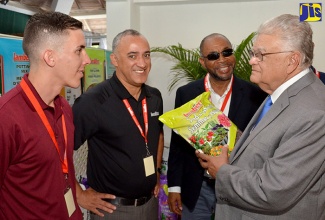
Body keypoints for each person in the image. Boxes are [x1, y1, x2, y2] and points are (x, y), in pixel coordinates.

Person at [196, 14, 325, 220]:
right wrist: (235, 141)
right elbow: (269, 146)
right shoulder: (276, 92)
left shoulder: (315, 112)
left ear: (292, 60)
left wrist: (220, 170)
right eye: (253, 53)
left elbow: (273, 191)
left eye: (260, 55)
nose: (251, 60)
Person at [0, 12, 90, 219]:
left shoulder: (65, 108)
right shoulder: (6, 118)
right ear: (50, 57)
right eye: (79, 51)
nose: (87, 59)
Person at [167, 33, 267, 219]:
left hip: (236, 186)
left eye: (227, 52)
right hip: (197, 188)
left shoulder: (255, 94)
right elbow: (178, 145)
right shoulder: (186, 93)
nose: (222, 60)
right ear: (202, 62)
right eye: (213, 56)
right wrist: (174, 187)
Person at [73, 29, 164, 220]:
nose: (142, 63)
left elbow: (158, 134)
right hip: (113, 210)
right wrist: (78, 194)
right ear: (114, 60)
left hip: (150, 204)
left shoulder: (154, 97)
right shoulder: (93, 102)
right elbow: (56, 151)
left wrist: (155, 172)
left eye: (146, 55)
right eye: (132, 56)